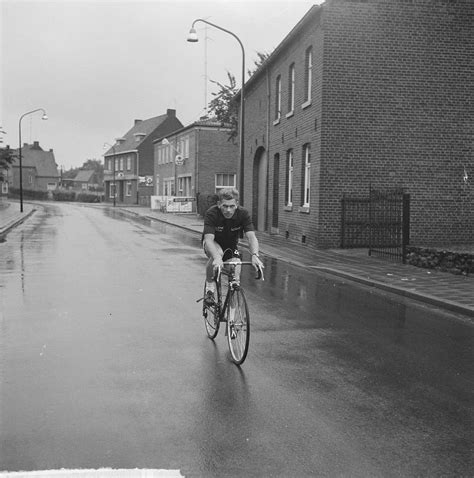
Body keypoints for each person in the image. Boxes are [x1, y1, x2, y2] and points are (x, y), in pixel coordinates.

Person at [202, 187, 263, 304]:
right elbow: (209, 240)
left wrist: (255, 255)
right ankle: (210, 288)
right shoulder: (212, 213)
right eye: (225, 206)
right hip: (213, 244)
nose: (228, 210)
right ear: (219, 204)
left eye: (232, 206)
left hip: (230, 245)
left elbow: (251, 237)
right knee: (218, 254)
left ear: (237, 204)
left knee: (235, 280)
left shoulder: (243, 213)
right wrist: (217, 258)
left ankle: (231, 319)